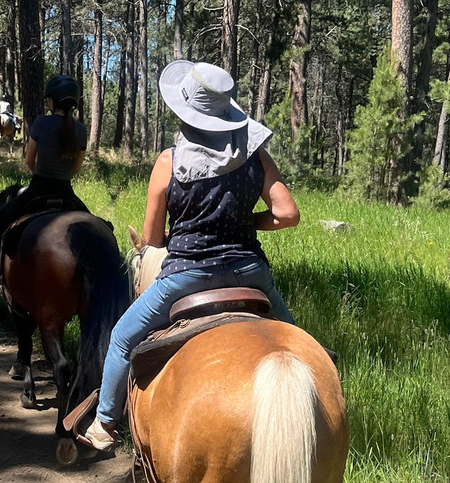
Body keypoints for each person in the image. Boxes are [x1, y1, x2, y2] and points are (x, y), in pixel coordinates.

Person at [79, 61, 300, 452]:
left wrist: (182, 232)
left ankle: (106, 423)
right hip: (250, 273)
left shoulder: (169, 161)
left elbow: (150, 239)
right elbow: (288, 214)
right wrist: (246, 222)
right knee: (298, 348)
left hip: (186, 275)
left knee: (122, 337)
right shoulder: (256, 158)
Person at [0, 76, 87, 292]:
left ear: (52, 102)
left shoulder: (42, 122)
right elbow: (77, 168)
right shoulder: (80, 129)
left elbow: (28, 159)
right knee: (99, 227)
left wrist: (39, 173)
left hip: (38, 188)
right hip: (67, 191)